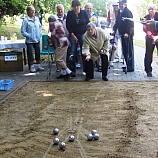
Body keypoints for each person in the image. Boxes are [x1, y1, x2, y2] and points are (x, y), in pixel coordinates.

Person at [66, 0, 90, 77]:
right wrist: (72, 35)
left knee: (84, 51)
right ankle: (72, 70)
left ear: (80, 6)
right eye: (74, 6)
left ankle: (86, 70)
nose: (76, 8)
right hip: (73, 34)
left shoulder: (84, 13)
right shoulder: (70, 13)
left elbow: (88, 23)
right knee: (72, 52)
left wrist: (86, 33)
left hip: (83, 34)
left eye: (77, 6)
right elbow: (68, 25)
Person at [47, 15, 74, 80]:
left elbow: (52, 35)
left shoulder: (52, 24)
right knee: (63, 59)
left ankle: (69, 72)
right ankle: (63, 73)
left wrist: (49, 40)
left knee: (58, 60)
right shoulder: (59, 23)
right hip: (65, 41)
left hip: (60, 43)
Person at [113, 0, 134, 72]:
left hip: (127, 35)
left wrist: (127, 33)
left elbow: (130, 24)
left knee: (129, 51)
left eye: (122, 4)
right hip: (122, 34)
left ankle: (130, 67)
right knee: (124, 50)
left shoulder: (128, 12)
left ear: (126, 4)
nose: (121, 5)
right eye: (120, 4)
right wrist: (114, 29)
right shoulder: (119, 12)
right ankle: (127, 64)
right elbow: (117, 22)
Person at [21, 6, 44, 73]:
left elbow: (40, 27)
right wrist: (29, 36)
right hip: (30, 40)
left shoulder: (36, 18)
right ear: (28, 12)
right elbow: (23, 31)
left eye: (34, 10)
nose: (33, 12)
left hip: (37, 39)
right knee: (30, 53)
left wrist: (40, 34)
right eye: (31, 10)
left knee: (38, 52)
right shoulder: (26, 20)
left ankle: (38, 65)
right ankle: (31, 66)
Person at [143, 4, 158, 77]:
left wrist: (157, 37)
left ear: (155, 9)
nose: (150, 11)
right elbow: (145, 28)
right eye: (149, 9)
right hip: (149, 38)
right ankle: (148, 71)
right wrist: (151, 36)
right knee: (148, 54)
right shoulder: (145, 18)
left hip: (157, 37)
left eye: (152, 9)